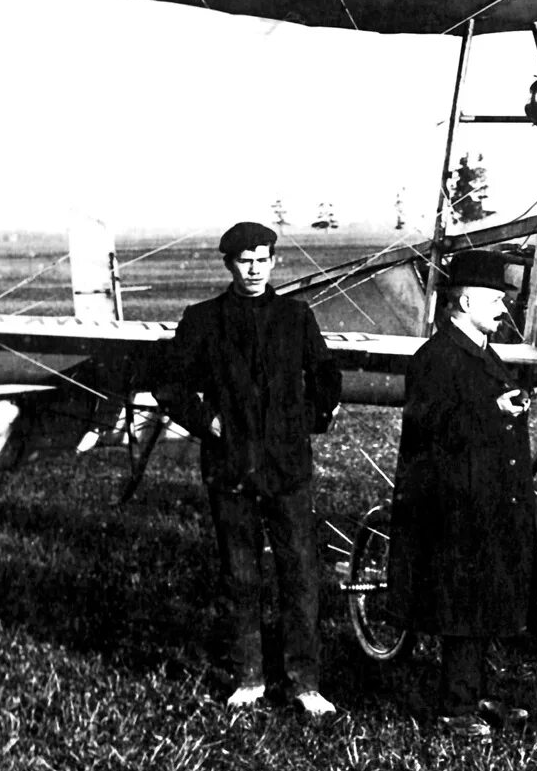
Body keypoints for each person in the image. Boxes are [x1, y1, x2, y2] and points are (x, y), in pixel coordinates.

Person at [166, 221, 342, 715]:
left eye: (263, 259)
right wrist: (208, 422)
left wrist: (310, 417)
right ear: (229, 264)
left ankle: (304, 683)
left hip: (288, 468)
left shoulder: (295, 316)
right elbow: (172, 385)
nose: (255, 268)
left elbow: (326, 373)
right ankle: (249, 677)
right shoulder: (202, 319)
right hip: (231, 466)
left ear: (274, 262)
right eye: (245, 260)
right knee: (240, 573)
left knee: (300, 573)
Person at [389, 250, 537, 739]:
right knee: (463, 609)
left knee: (481, 604)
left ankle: (474, 695)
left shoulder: (476, 350)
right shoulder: (435, 358)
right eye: (495, 299)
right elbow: (427, 428)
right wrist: (493, 410)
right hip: (455, 508)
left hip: (484, 501)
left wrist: (502, 410)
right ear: (465, 301)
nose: (503, 308)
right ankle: (456, 709)